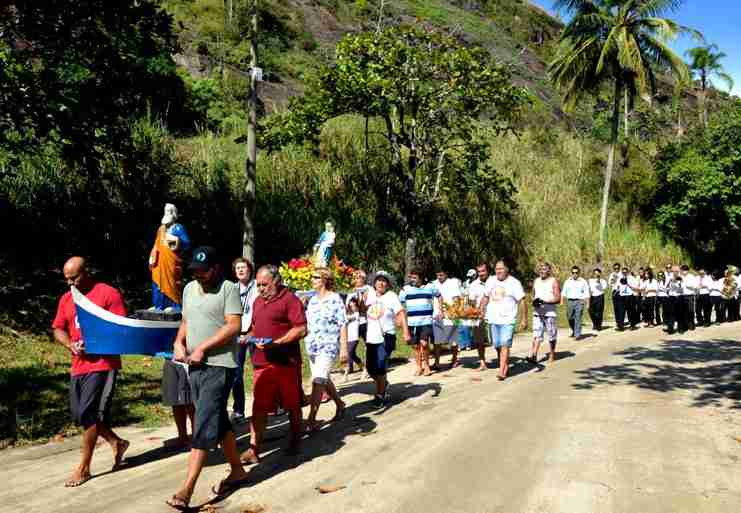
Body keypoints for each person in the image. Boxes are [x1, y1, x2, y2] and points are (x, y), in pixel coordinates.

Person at [167, 247, 247, 510]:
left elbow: (234, 325)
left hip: (220, 365)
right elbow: (187, 320)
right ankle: (237, 470)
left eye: (204, 270)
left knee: (202, 422)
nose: (199, 275)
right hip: (195, 365)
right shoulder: (189, 289)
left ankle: (187, 489)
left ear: (216, 268)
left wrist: (203, 348)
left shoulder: (228, 289)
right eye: (196, 271)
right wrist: (179, 342)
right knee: (216, 417)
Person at [52, 257, 130, 488]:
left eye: (74, 278)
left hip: (103, 363)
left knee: (88, 413)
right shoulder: (67, 298)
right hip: (79, 365)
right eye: (66, 279)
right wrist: (70, 344)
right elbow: (58, 328)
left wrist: (96, 341)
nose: (70, 284)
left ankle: (84, 468)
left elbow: (120, 328)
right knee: (80, 414)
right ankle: (117, 442)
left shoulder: (107, 294)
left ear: (86, 272)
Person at [240, 265, 307, 465]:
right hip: (262, 363)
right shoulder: (257, 301)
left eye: (264, 284)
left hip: (286, 363)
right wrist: (247, 337)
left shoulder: (290, 300)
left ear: (276, 281)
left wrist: (277, 343)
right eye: (258, 285)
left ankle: (296, 439)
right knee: (259, 407)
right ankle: (253, 448)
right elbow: (254, 328)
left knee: (292, 405)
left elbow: (301, 329)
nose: (260, 288)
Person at [304, 267, 347, 432]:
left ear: (324, 280)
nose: (312, 280)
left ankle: (311, 419)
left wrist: (344, 348)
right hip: (313, 346)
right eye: (312, 277)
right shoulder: (312, 300)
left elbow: (343, 323)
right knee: (323, 378)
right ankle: (340, 404)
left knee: (318, 380)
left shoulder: (335, 299)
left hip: (329, 346)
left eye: (315, 277)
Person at [365, 271, 411, 406]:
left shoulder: (391, 296)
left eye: (384, 281)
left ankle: (380, 395)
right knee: (370, 368)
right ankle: (383, 383)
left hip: (386, 336)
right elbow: (362, 310)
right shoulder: (369, 295)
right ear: (374, 283)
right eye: (378, 280)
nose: (381, 283)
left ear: (388, 284)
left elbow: (401, 313)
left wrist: (405, 332)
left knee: (380, 366)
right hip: (371, 337)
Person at [478, 261, 527, 380]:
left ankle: (502, 370)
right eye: (496, 269)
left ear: (507, 269)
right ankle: (504, 363)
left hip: (508, 319)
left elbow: (522, 301)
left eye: (501, 269)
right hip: (494, 319)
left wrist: (524, 319)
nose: (498, 271)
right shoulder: (491, 281)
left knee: (505, 344)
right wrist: (480, 310)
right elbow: (486, 297)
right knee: (497, 344)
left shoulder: (514, 283)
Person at [229, 257, 257, 424]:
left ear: (249, 270)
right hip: (237, 334)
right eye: (237, 268)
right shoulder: (232, 289)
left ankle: (271, 404)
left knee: (260, 370)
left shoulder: (257, 287)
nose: (240, 270)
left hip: (255, 332)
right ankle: (238, 410)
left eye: (243, 267)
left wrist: (253, 332)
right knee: (236, 373)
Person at [149, 203, 191, 311]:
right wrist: (152, 256)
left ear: (173, 213)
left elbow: (187, 244)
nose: (166, 213)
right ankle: (158, 305)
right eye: (165, 210)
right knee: (157, 283)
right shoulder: (161, 229)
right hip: (159, 262)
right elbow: (156, 244)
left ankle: (174, 305)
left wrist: (177, 241)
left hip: (171, 261)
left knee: (171, 282)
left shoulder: (178, 228)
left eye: (168, 211)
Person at [399, 270, 439, 376]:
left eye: (414, 278)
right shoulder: (405, 289)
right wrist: (399, 318)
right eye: (411, 278)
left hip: (426, 320)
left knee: (424, 344)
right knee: (415, 346)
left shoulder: (430, 287)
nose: (412, 280)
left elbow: (439, 296)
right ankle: (419, 367)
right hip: (412, 323)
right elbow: (400, 304)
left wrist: (440, 310)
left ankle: (426, 366)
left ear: (421, 278)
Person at [528, 262, 560, 364]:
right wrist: (534, 301)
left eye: (545, 269)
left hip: (549, 313)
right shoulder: (536, 281)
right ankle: (534, 355)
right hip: (537, 312)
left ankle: (551, 354)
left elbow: (558, 298)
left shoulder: (553, 281)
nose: (542, 271)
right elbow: (532, 295)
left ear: (549, 270)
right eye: (541, 269)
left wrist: (545, 301)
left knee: (551, 335)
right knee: (536, 334)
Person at [431, 269, 463, 369]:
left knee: (453, 340)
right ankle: (436, 362)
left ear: (446, 274)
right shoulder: (433, 284)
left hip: (452, 314)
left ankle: (454, 359)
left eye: (441, 275)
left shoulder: (452, 283)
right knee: (437, 340)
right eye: (437, 275)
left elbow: (457, 299)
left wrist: (454, 312)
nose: (439, 277)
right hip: (437, 315)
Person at [469, 262, 494, 371]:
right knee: (479, 341)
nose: (481, 273)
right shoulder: (474, 284)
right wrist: (473, 313)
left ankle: (501, 361)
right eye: (479, 271)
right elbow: (472, 301)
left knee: (496, 341)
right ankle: (482, 363)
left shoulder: (495, 281)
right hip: (479, 316)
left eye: (483, 271)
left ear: (488, 271)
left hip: (494, 315)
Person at [561, 266, 589, 339]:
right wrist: (561, 301)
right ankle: (574, 330)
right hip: (570, 301)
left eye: (576, 272)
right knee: (570, 317)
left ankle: (577, 334)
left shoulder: (583, 281)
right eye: (573, 273)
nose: (575, 274)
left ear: (579, 273)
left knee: (578, 317)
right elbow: (563, 292)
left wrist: (587, 303)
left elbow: (587, 293)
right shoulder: (568, 281)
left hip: (580, 301)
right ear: (571, 273)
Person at [344, 297, 363, 381]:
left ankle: (346, 374)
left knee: (349, 353)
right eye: (351, 305)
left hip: (354, 337)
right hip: (347, 338)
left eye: (354, 305)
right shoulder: (347, 314)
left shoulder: (356, 314)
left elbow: (348, 318)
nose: (353, 307)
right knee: (352, 355)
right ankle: (363, 367)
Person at [678, 265, 698, 333]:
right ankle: (684, 326)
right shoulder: (679, 276)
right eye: (683, 270)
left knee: (690, 311)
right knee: (682, 312)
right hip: (682, 296)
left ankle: (691, 324)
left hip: (690, 295)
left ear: (687, 270)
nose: (684, 272)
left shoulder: (691, 276)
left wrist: (689, 285)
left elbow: (695, 286)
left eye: (685, 270)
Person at [665, 269, 683, 334]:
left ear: (678, 273)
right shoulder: (669, 279)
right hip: (671, 297)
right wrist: (668, 290)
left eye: (676, 272)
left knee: (679, 313)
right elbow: (666, 287)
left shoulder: (680, 279)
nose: (675, 273)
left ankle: (680, 328)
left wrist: (675, 282)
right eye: (673, 272)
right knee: (671, 313)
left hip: (678, 297)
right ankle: (670, 328)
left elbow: (680, 289)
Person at [608, 263, 623, 328]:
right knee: (616, 308)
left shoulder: (622, 274)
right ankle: (618, 322)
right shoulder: (612, 274)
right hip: (614, 292)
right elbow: (610, 283)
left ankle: (621, 323)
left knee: (621, 308)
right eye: (615, 268)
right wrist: (614, 279)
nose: (616, 270)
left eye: (617, 268)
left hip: (620, 292)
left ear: (619, 268)